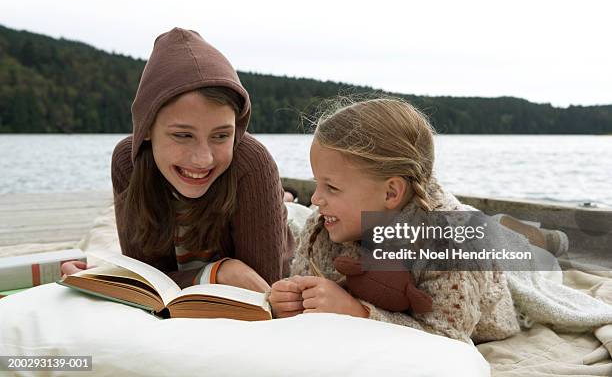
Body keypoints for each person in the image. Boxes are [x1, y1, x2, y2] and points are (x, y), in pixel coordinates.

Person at [268, 97, 521, 343]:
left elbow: (447, 338)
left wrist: (358, 312)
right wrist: (289, 301)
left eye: (331, 187)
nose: (315, 198)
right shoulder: (324, 224)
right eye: (316, 183)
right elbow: (307, 289)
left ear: (391, 192)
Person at [62, 27, 294, 292]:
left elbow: (264, 285)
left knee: (290, 213)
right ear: (147, 128)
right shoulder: (129, 161)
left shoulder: (252, 162)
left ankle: (286, 200)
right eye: (183, 135)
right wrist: (219, 272)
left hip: (277, 232)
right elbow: (148, 277)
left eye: (220, 136)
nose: (203, 158)